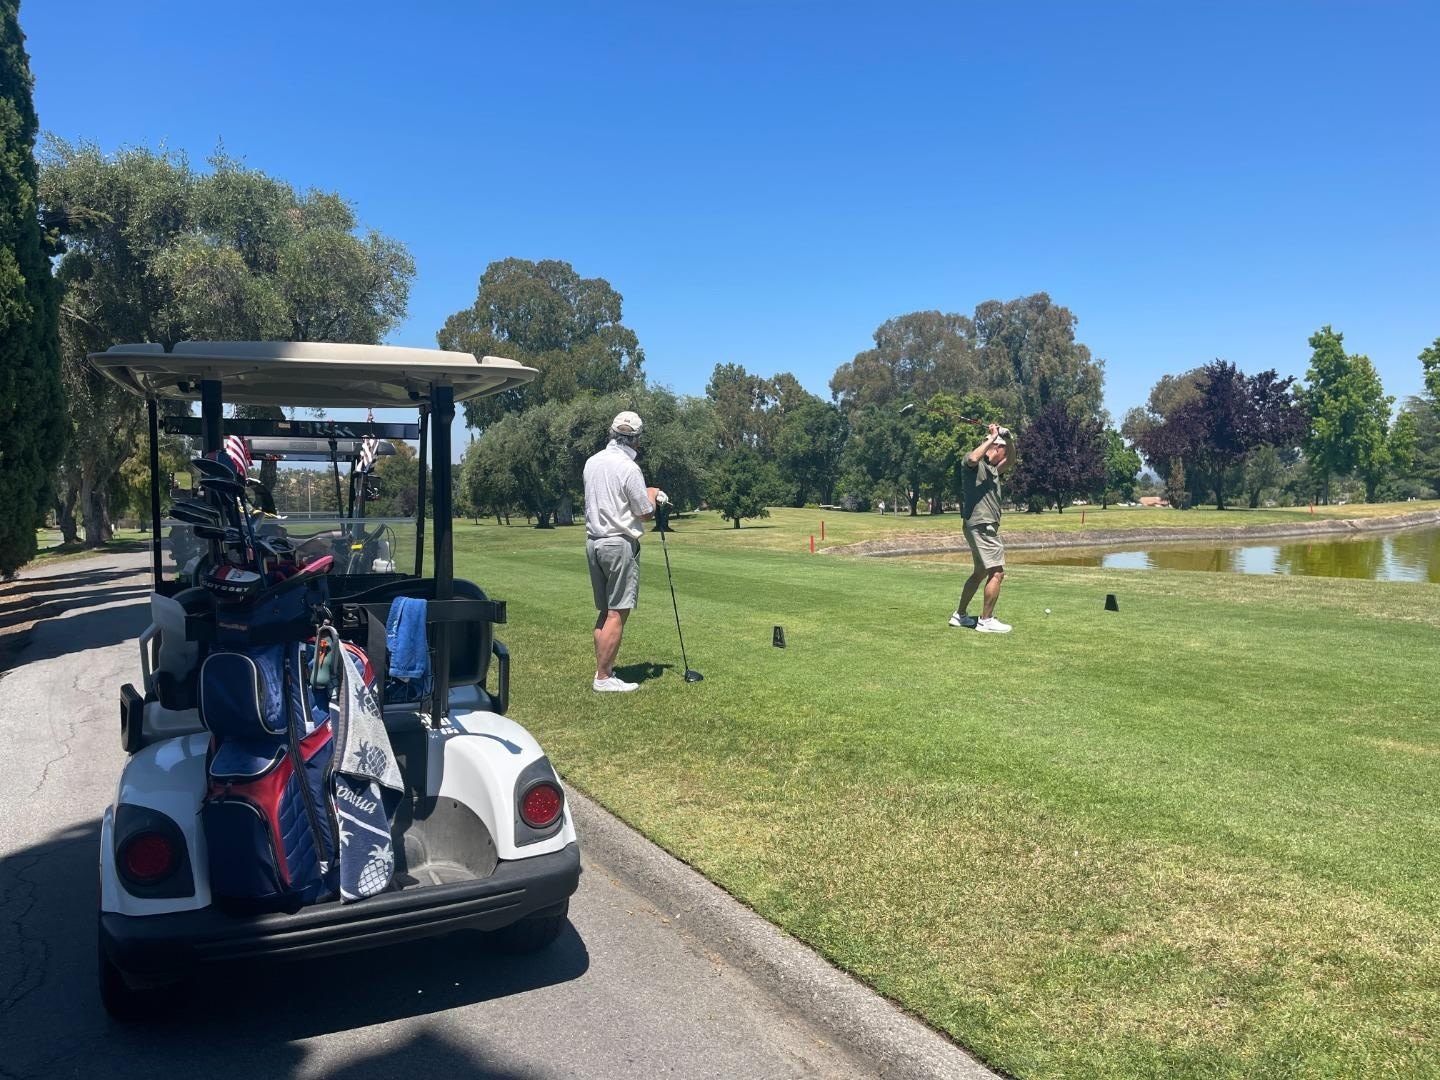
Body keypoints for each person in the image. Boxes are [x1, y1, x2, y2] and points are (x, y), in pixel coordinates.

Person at [583, 411, 667, 691]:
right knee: (618, 612)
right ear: (636, 440)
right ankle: (604, 678)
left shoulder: (592, 462)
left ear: (612, 433)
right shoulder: (629, 468)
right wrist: (652, 493)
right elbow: (644, 512)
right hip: (618, 544)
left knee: (605, 611)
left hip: (594, 542)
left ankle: (603, 669)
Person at [950, 423, 1011, 633]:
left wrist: (1009, 440)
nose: (1004, 455)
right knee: (997, 573)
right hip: (982, 525)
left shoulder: (993, 470)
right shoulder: (973, 463)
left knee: (980, 572)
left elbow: (1011, 460)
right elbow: (973, 458)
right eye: (1003, 450)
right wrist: (993, 437)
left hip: (978, 525)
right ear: (995, 448)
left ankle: (960, 615)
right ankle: (986, 620)